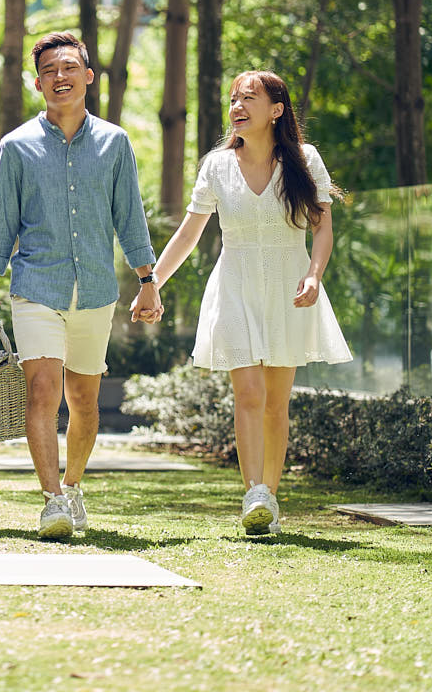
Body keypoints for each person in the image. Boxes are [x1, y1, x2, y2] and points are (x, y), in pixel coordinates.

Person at [0, 31, 161, 541]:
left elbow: (131, 218)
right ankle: (52, 500)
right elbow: (0, 224)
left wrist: (148, 280)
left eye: (69, 68)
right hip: (36, 288)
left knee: (85, 402)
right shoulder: (16, 147)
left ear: (88, 76)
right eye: (50, 71)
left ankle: (73, 484)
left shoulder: (116, 143)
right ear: (37, 83)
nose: (60, 77)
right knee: (42, 390)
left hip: (96, 290)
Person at [149, 69, 352, 536]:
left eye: (249, 98)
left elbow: (322, 227)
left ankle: (271, 496)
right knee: (249, 393)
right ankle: (253, 494)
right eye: (233, 99)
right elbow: (188, 234)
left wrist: (314, 275)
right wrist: (153, 282)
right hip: (235, 284)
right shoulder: (216, 166)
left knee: (277, 403)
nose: (237, 107)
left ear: (276, 110)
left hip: (289, 287)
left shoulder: (305, 159)